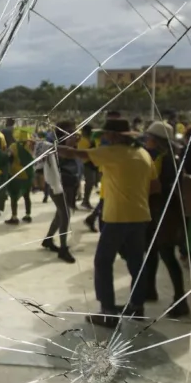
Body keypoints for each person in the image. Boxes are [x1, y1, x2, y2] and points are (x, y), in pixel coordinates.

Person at [58, 118, 157, 327]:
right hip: (140, 216)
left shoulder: (113, 152)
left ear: (114, 135)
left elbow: (75, 154)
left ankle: (108, 312)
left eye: (106, 134)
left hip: (117, 217)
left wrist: (48, 148)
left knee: (103, 262)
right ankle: (137, 307)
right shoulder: (143, 154)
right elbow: (155, 187)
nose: (103, 137)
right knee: (136, 262)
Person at [139, 121, 190, 318]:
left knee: (167, 255)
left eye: (149, 137)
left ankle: (180, 300)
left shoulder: (168, 160)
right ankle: (150, 290)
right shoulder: (166, 157)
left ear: (156, 140)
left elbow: (162, 188)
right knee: (151, 252)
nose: (146, 140)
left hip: (165, 214)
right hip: (158, 212)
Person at [42, 121, 79, 263]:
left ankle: (48, 240)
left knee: (60, 214)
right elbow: (57, 157)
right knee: (65, 214)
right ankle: (63, 248)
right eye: (70, 131)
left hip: (70, 182)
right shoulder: (53, 144)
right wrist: (69, 143)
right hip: (57, 184)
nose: (73, 133)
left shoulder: (70, 143)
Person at [4, 129, 34, 225]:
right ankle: (28, 215)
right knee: (27, 196)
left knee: (13, 196)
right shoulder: (31, 146)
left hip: (16, 174)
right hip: (29, 174)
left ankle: (14, 216)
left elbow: (8, 158)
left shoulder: (13, 146)